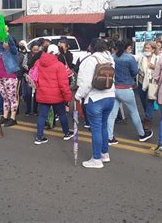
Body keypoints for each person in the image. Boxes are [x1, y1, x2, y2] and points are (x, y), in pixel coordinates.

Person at [75, 38, 115, 169]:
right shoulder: (110, 60)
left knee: (96, 129)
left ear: (92, 47)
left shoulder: (91, 60)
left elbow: (86, 83)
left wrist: (78, 96)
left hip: (95, 98)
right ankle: (105, 154)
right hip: (110, 97)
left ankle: (96, 159)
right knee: (103, 126)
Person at [107, 40, 152, 145]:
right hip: (126, 89)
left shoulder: (111, 57)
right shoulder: (129, 58)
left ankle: (109, 137)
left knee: (112, 114)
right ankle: (142, 134)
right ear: (127, 48)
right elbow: (135, 72)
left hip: (114, 88)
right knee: (134, 112)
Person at [34, 44, 74, 144]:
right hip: (57, 95)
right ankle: (66, 133)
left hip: (43, 93)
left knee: (42, 116)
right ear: (56, 54)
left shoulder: (38, 62)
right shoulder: (59, 65)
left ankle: (39, 137)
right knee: (62, 114)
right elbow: (63, 84)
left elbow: (35, 77)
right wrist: (68, 96)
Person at [0, 35, 20, 127]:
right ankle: (5, 116)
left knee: (12, 99)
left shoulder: (13, 51)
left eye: (5, 41)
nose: (4, 43)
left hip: (10, 77)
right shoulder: (0, 51)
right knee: (5, 98)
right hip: (0, 77)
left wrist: (7, 34)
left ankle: (13, 118)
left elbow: (11, 42)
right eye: (3, 41)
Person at [137, 41, 160, 132]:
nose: (146, 49)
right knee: (143, 101)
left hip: (152, 82)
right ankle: (148, 115)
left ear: (153, 49)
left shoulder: (157, 59)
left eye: (148, 48)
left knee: (150, 101)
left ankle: (147, 119)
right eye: (145, 48)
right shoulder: (141, 57)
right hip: (141, 82)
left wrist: (155, 67)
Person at [24, 43, 40, 116]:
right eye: (34, 50)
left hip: (37, 78)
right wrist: (26, 73)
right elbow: (23, 65)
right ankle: (28, 110)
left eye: (37, 50)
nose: (36, 51)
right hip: (28, 77)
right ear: (31, 49)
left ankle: (35, 110)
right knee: (28, 94)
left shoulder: (41, 56)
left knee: (37, 94)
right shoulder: (27, 56)